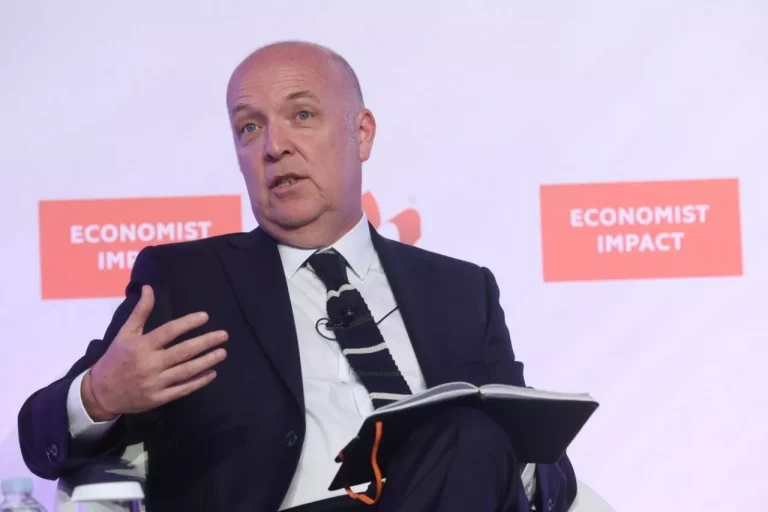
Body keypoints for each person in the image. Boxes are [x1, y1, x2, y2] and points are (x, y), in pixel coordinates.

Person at [17, 41, 577, 512]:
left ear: (362, 134)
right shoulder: (188, 280)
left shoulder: (461, 291)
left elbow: (545, 466)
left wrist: (510, 455)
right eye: (249, 127)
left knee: (470, 434)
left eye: (302, 116)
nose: (274, 146)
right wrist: (100, 394)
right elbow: (39, 434)